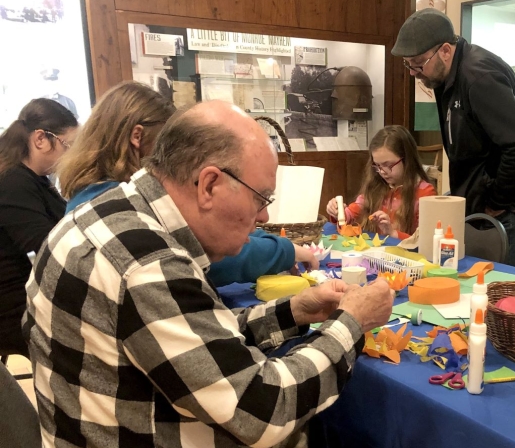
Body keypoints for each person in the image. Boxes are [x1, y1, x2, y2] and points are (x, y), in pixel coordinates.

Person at [23, 100, 395, 447]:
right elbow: (264, 410)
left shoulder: (111, 213)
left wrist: (293, 311)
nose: (264, 217)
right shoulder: (145, 263)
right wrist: (352, 323)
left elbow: (193, 339)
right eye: (261, 198)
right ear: (209, 185)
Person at [57, 81, 318, 286]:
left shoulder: (110, 198)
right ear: (138, 136)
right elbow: (204, 252)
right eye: (166, 141)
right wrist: (283, 251)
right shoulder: (122, 220)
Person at [391, 8, 515, 269]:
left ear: (444, 50)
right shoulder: (446, 74)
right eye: (408, 64)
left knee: (500, 279)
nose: (413, 72)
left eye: (418, 63)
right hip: (484, 194)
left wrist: (495, 202)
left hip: (513, 202)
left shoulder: (479, 78)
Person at [0, 98, 77, 357]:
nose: (71, 156)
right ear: (41, 139)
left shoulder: (36, 180)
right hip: (11, 307)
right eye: (69, 146)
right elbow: (47, 247)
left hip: (24, 293)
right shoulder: (14, 182)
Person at [326, 125, 436, 239]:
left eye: (388, 165)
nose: (382, 172)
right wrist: (338, 212)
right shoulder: (375, 187)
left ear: (407, 159)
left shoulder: (425, 193)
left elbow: (426, 240)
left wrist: (392, 233)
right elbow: (350, 216)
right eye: (377, 166)